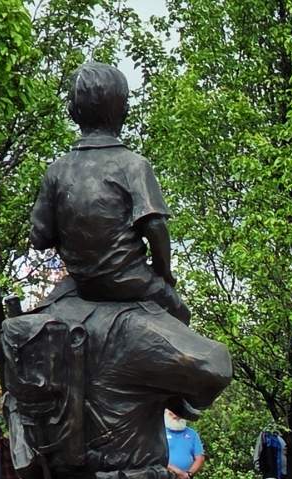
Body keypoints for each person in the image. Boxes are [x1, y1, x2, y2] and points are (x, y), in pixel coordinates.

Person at [29, 60, 188, 319]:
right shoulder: (133, 165)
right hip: (130, 281)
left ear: (71, 112)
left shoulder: (57, 170)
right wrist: (164, 273)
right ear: (124, 111)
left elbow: (40, 237)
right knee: (179, 312)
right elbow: (156, 226)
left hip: (82, 284)